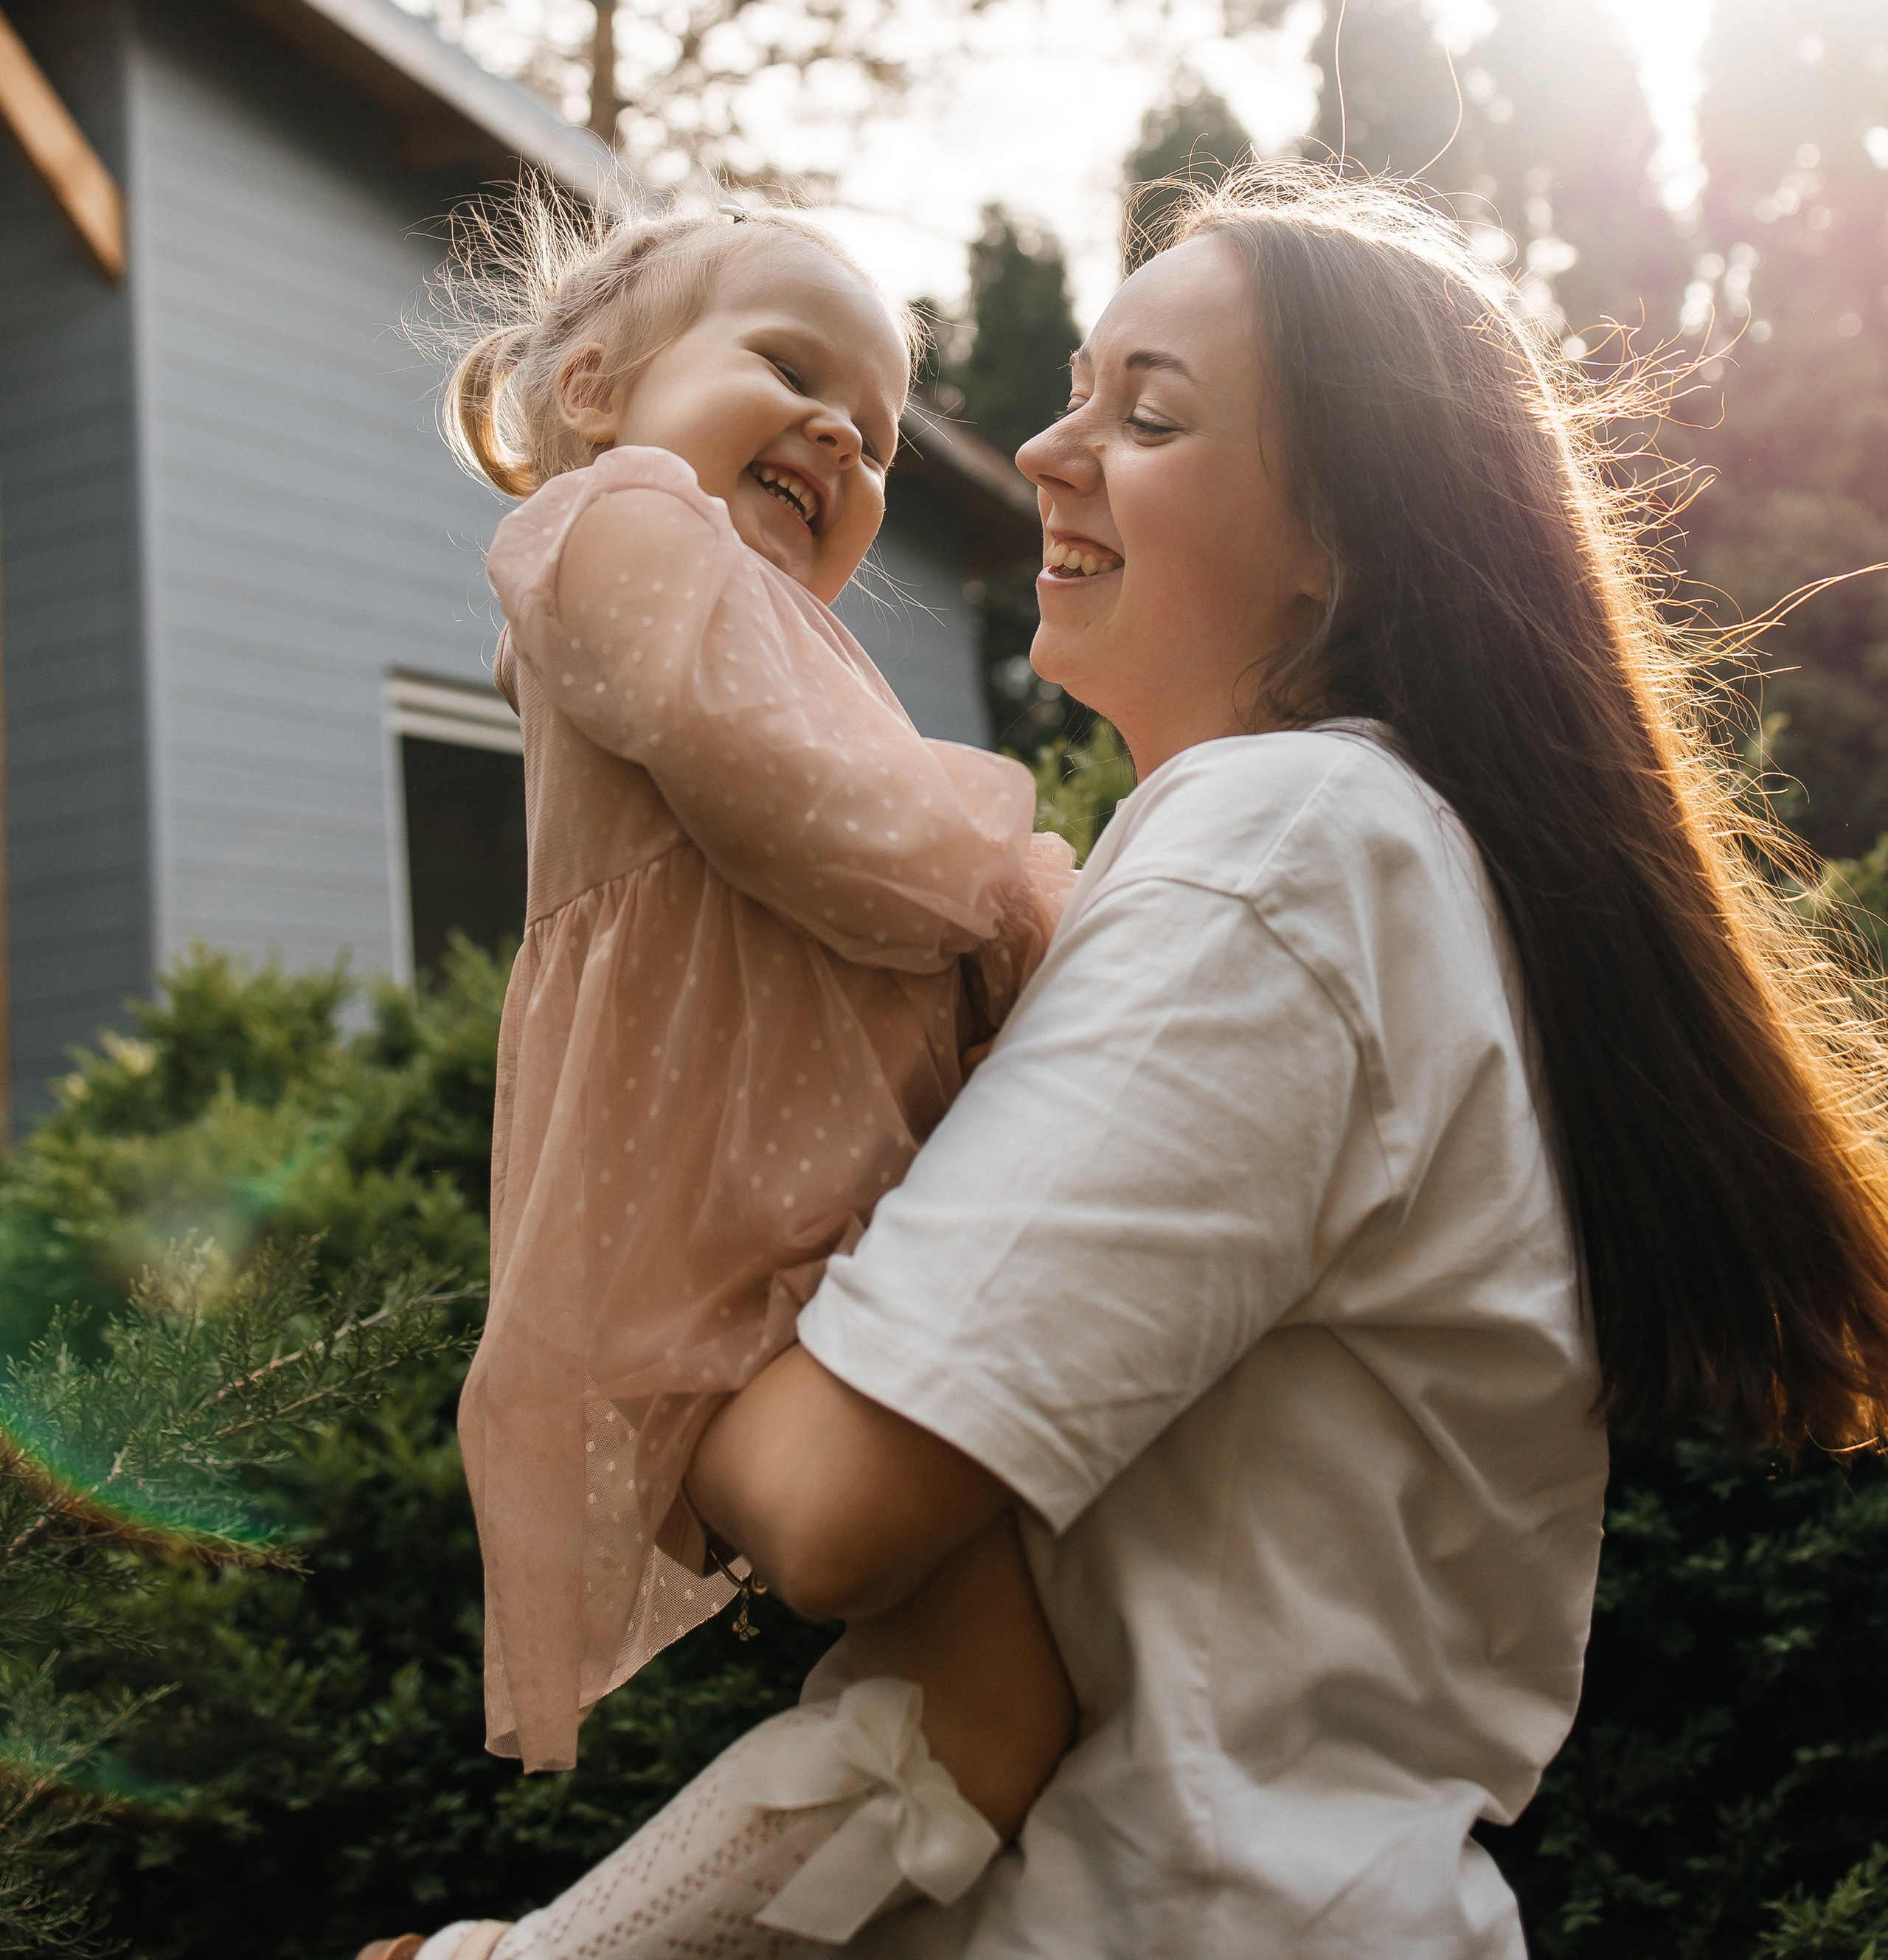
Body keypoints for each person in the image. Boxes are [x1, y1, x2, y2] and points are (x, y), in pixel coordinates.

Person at [680, 169, 1888, 1956]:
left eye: (1147, 414)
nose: (1044, 450)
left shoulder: (1287, 843)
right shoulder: (1369, 855)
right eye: (1077, 389)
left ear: (1345, 540)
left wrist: (612, 1333)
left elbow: (829, 1504)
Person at [390, 198, 1077, 1960]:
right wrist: (1026, 892)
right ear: (600, 390)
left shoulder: (773, 622)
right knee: (981, 1713)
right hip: (741, 1244)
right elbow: (812, 821)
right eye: (788, 366)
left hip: (827, 1225)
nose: (845, 430)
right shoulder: (613, 526)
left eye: (876, 419)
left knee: (985, 1721)